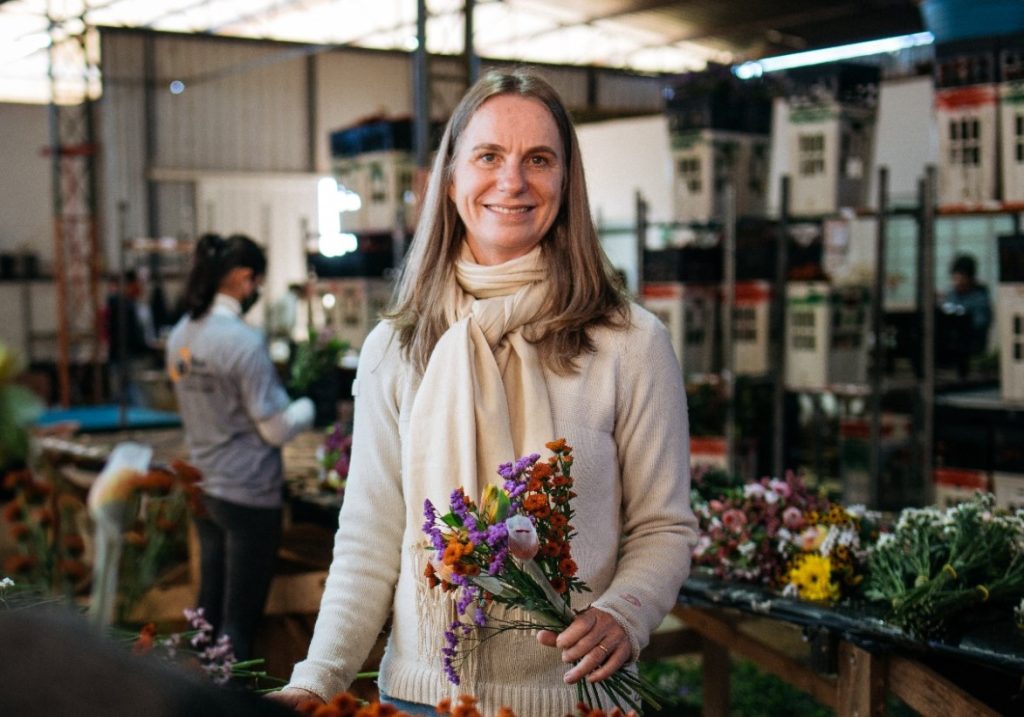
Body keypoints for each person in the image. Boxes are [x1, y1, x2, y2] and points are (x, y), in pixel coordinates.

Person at [269, 68, 697, 716]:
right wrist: (316, 677)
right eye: (489, 156)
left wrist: (624, 613)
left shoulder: (630, 343)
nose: (512, 180)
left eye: (539, 159)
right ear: (450, 179)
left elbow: (664, 526)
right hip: (423, 699)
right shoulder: (397, 347)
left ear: (567, 181)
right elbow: (369, 537)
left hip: (575, 701)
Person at [166, 233, 314, 661]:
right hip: (248, 492)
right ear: (244, 278)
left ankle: (193, 689)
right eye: (257, 283)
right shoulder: (243, 342)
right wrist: (306, 408)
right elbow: (274, 430)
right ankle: (231, 692)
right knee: (239, 624)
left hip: (204, 486)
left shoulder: (181, 334)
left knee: (207, 614)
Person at [106, 269, 158, 406]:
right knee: (134, 396)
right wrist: (147, 347)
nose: (141, 288)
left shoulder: (134, 305)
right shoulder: (121, 305)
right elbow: (131, 334)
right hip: (126, 358)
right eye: (138, 284)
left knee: (128, 395)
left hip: (127, 357)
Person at [943, 253, 992, 357]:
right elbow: (946, 310)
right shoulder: (952, 295)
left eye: (960, 279)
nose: (957, 283)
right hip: (951, 345)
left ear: (970, 279)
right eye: (954, 279)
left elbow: (979, 323)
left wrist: (959, 313)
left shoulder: (980, 297)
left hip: (972, 347)